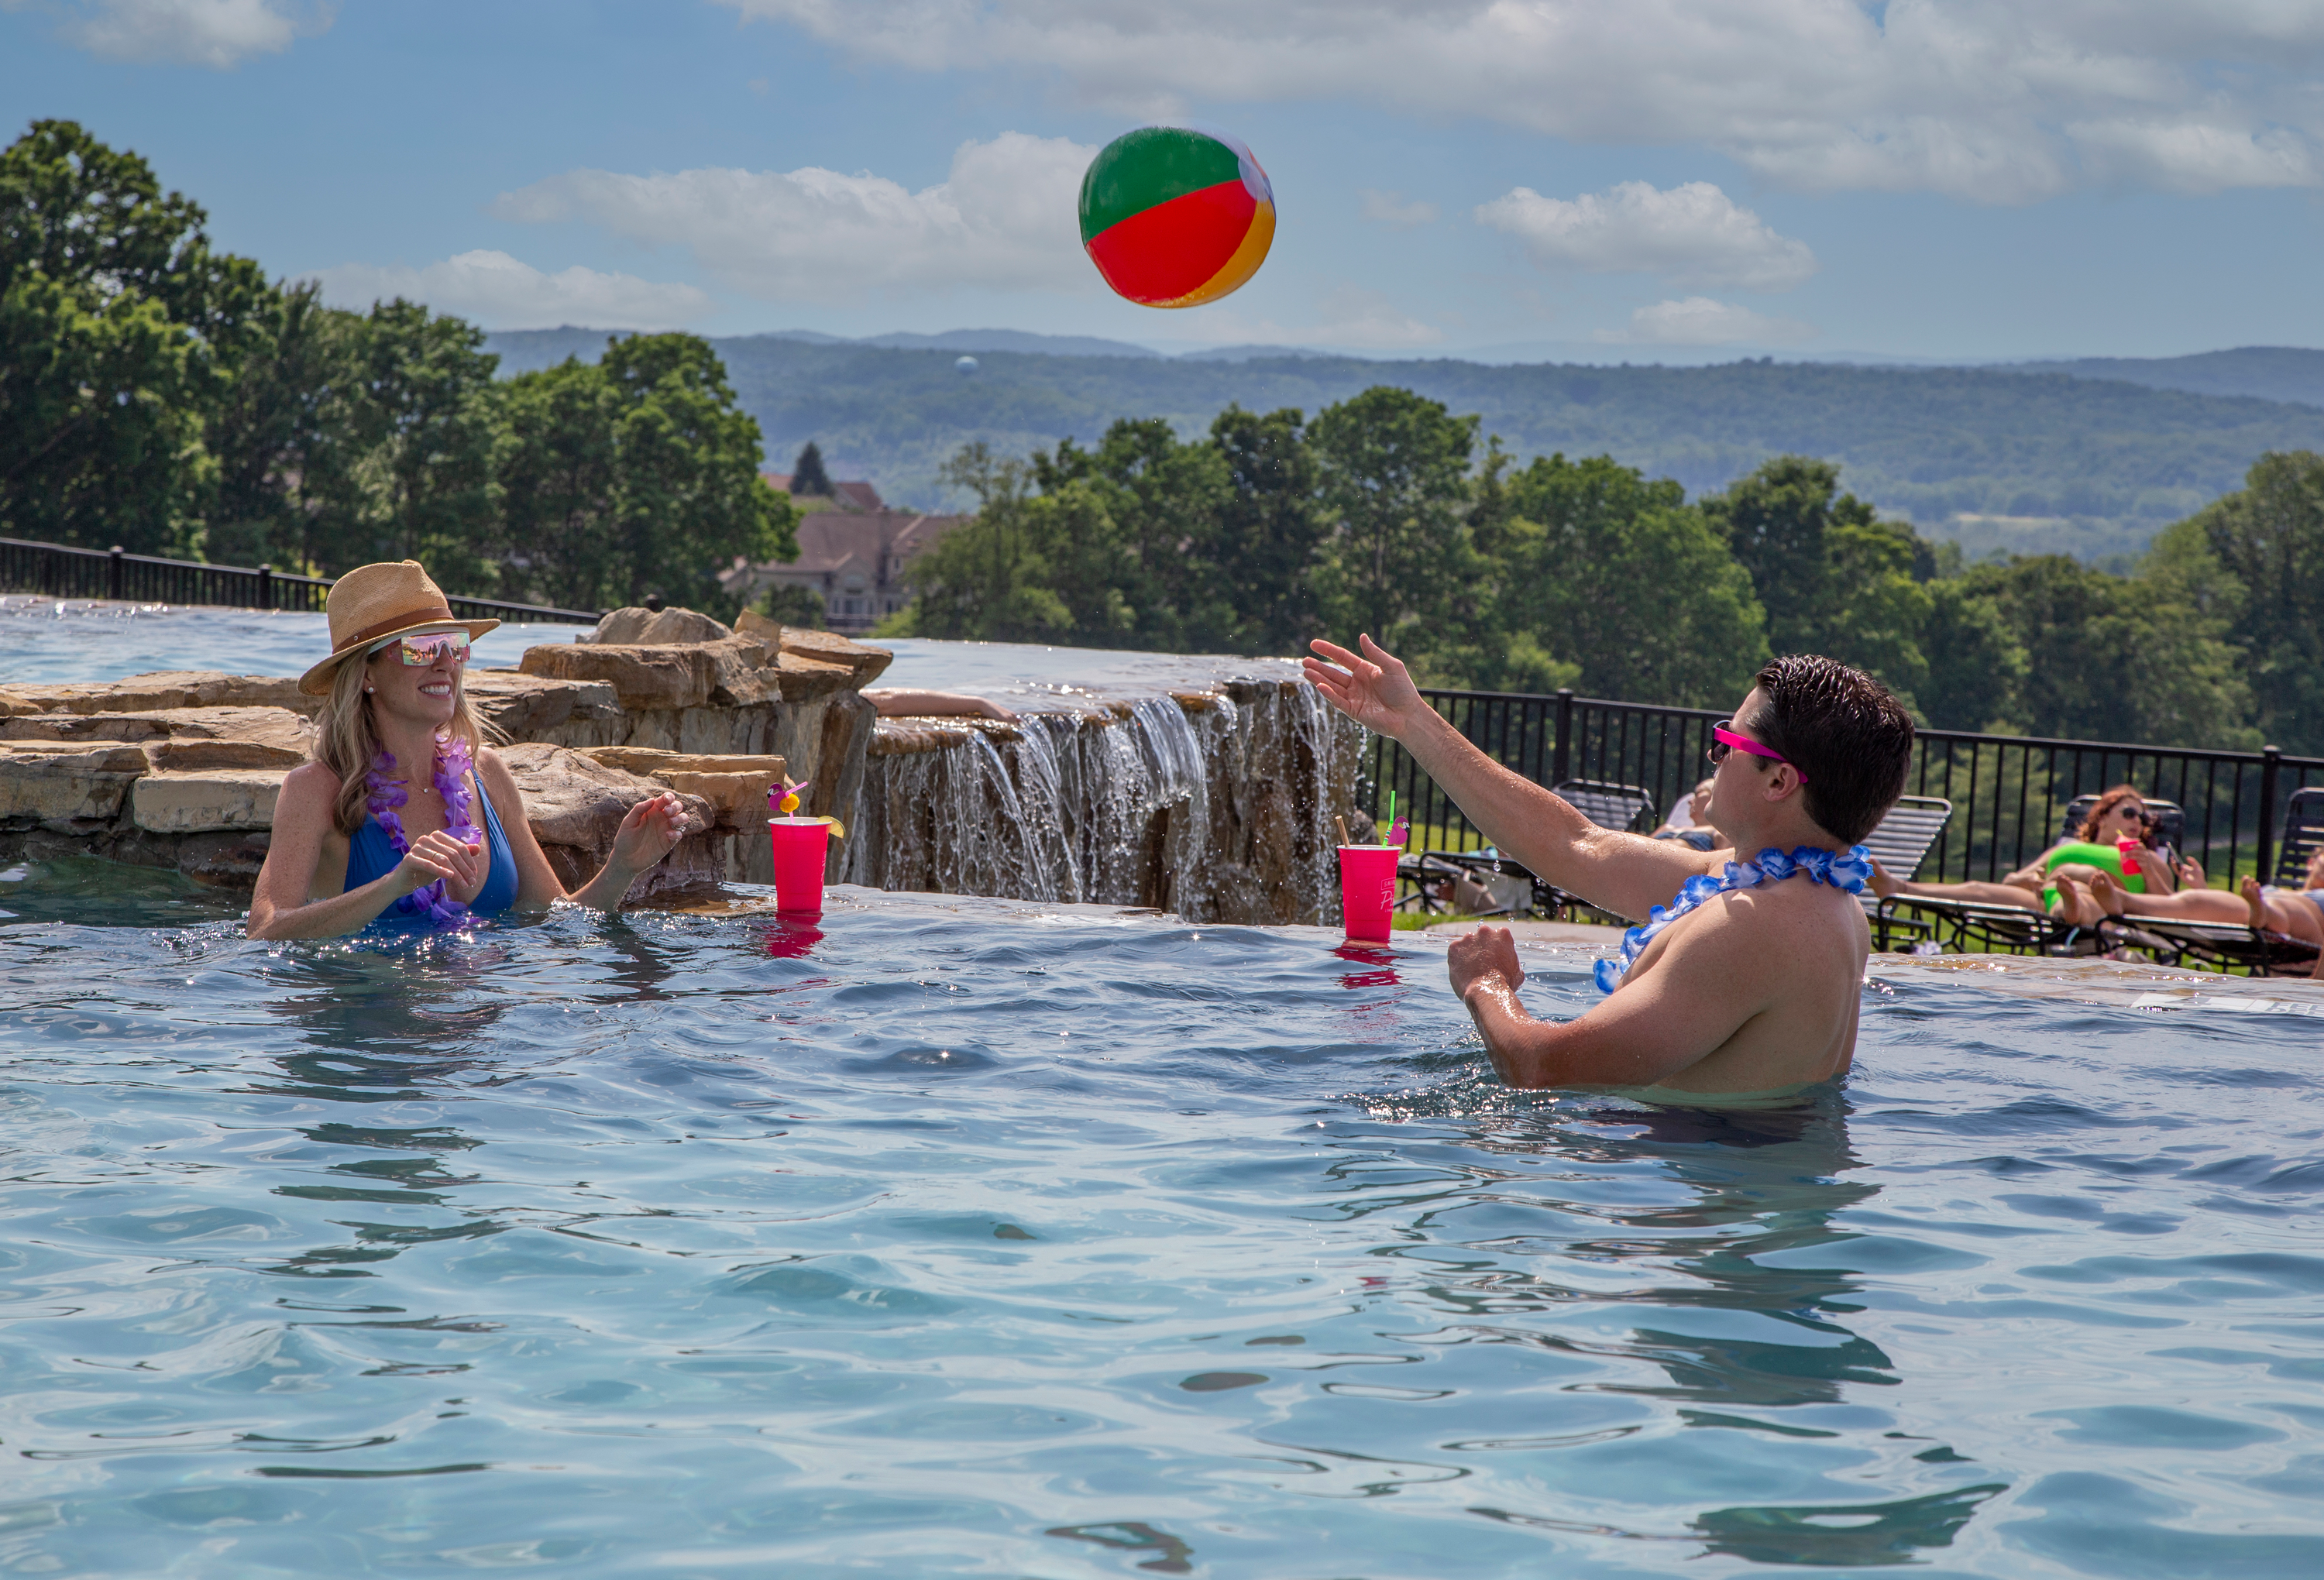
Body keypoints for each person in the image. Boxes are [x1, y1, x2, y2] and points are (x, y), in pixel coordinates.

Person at [1305, 637, 1914, 1097]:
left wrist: (1484, 984)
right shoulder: (1803, 892)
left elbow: (1540, 1067)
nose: (1715, 754)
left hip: (1682, 1209)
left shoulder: (1757, 927)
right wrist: (1416, 723)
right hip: (1718, 1193)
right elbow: (1578, 846)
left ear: (1780, 780)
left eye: (1730, 742)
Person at [247, 560, 691, 941]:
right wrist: (392, 886)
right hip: (371, 1034)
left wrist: (622, 868)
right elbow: (264, 931)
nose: (445, 662)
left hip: (484, 1033)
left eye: (455, 646)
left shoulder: (487, 774)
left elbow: (559, 924)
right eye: (421, 648)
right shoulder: (316, 791)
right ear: (366, 674)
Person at [1867, 783, 2193, 917]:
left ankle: (2072, 902)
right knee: (1978, 887)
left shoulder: (2147, 857)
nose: (2138, 821)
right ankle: (1900, 888)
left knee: (2079, 893)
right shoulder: (2070, 847)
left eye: (2143, 816)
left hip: (2109, 908)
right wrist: (2031, 880)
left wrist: (2148, 869)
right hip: (2044, 897)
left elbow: (2170, 905)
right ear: (2104, 816)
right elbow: (2012, 879)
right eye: (2128, 813)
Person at [2058, 847, 2324, 967]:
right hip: (2254, 908)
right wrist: (2201, 886)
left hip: (2308, 918)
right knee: (2196, 902)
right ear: (2312, 861)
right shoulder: (2280, 888)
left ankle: (2125, 901)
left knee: (2281, 909)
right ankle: (2258, 913)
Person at [1652, 777, 1723, 852]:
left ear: (1715, 796)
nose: (1689, 801)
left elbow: (1727, 860)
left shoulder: (1718, 834)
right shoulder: (1666, 828)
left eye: (1698, 793)